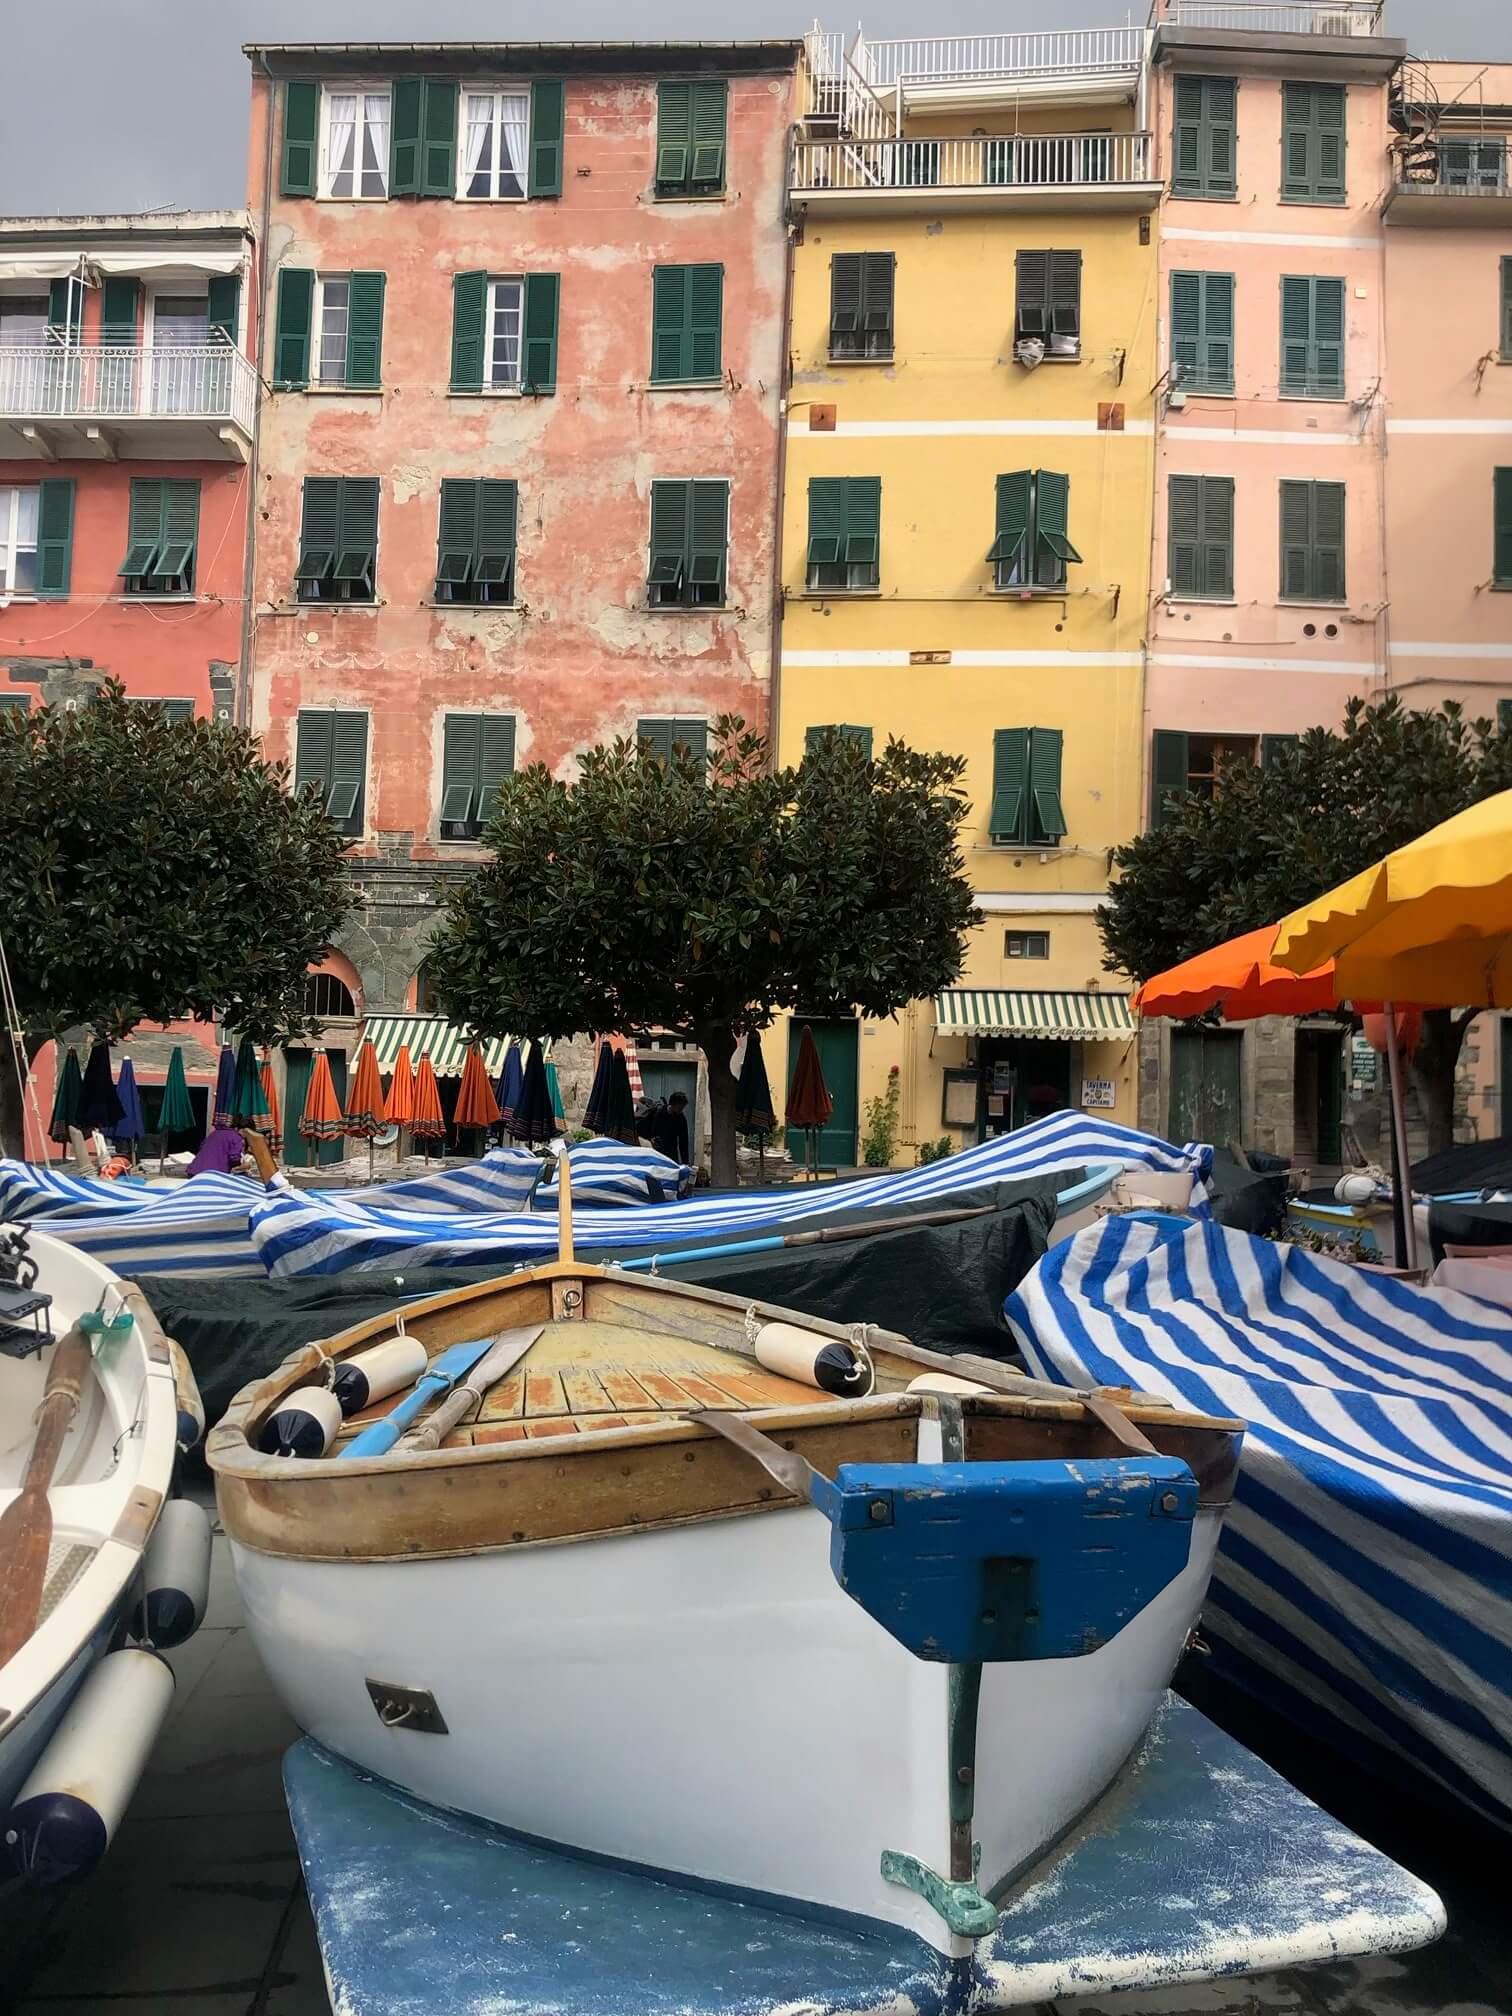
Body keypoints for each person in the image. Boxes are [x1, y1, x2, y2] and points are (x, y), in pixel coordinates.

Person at [645, 1092, 690, 1166]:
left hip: (671, 1152)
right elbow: (646, 1130)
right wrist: (651, 1139)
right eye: (680, 1107)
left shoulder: (681, 1119)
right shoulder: (658, 1113)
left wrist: (685, 1163)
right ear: (673, 1104)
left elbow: (683, 1142)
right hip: (656, 1151)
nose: (681, 1109)